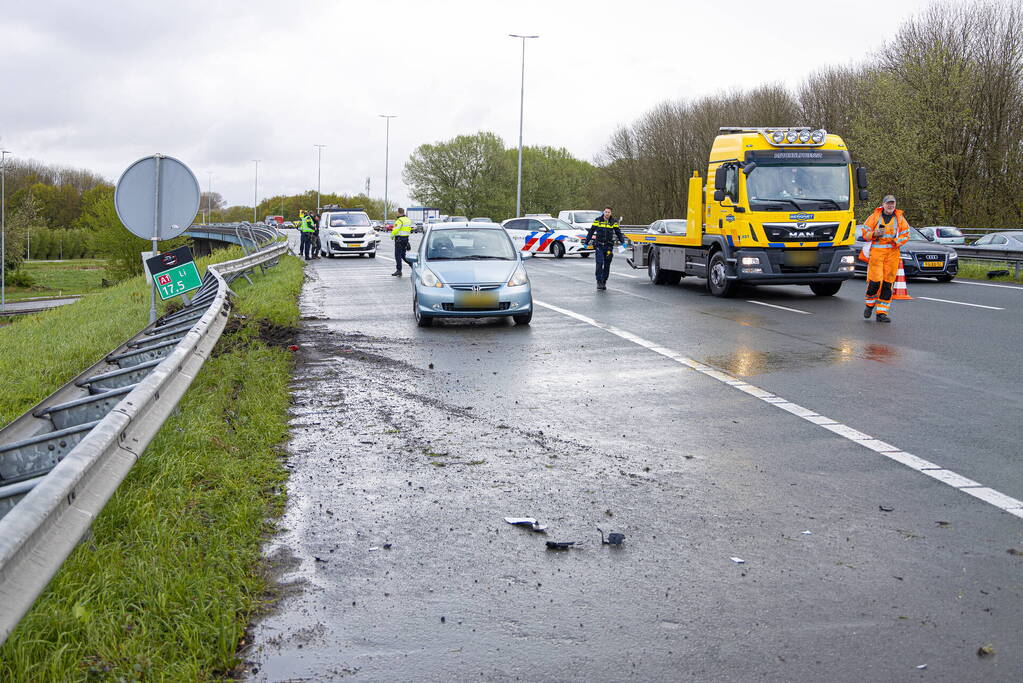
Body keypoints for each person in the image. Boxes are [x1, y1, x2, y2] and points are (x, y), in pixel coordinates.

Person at [860, 194, 910, 323]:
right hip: (877, 251)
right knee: (875, 282)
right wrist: (874, 234)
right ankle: (869, 305)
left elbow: (906, 234)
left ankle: (881, 313)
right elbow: (865, 233)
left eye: (893, 204)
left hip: (893, 253)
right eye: (888, 203)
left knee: (888, 284)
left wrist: (897, 241)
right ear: (883, 204)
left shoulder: (899, 218)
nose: (891, 206)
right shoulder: (874, 217)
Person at [583, 206, 627, 290]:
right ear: (603, 212)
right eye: (606, 212)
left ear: (611, 213)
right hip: (599, 245)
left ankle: (604, 281)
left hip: (608, 247)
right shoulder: (598, 220)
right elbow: (591, 231)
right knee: (599, 263)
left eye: (608, 212)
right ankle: (599, 281)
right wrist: (586, 242)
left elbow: (618, 232)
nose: (607, 213)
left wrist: (623, 242)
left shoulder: (613, 222)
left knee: (607, 264)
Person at [390, 208, 413, 276]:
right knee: (403, 255)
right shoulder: (408, 220)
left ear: (399, 213)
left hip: (399, 239)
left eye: (397, 212)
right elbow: (409, 229)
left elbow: (395, 230)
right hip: (406, 239)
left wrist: (392, 236)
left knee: (398, 255)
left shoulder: (399, 220)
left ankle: (399, 270)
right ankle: (412, 265)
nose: (396, 214)